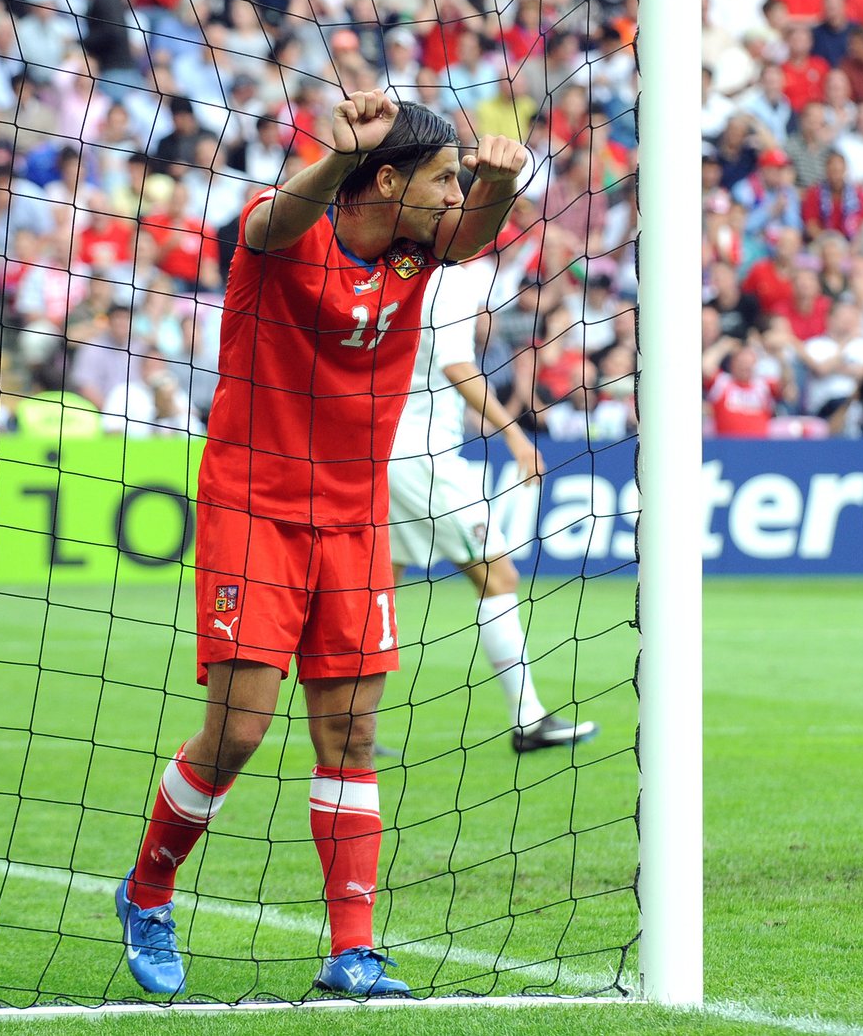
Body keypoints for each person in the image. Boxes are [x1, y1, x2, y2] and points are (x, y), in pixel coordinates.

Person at [115, 90, 529, 999]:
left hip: (353, 519)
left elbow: (470, 238)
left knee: (353, 732)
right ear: (387, 180)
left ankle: (352, 948)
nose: (455, 193)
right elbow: (276, 215)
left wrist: (497, 182)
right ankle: (146, 891)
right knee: (240, 730)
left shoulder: (419, 252)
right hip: (253, 509)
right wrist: (336, 153)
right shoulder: (281, 241)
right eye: (445, 178)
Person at [387, 262, 598, 753]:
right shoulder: (454, 277)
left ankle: (350, 722)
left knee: (379, 587)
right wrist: (517, 437)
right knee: (497, 577)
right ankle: (528, 719)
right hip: (425, 460)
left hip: (388, 450)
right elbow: (456, 365)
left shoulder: (404, 267)